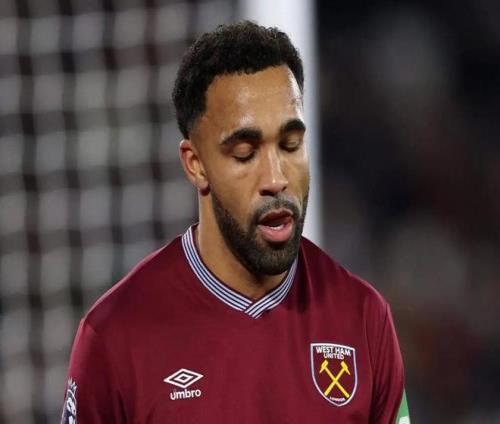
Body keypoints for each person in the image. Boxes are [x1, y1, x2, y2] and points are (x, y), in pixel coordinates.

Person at [61, 21, 411, 423]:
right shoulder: (115, 337)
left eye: (291, 145)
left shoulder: (363, 319)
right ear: (196, 165)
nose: (276, 178)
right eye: (245, 153)